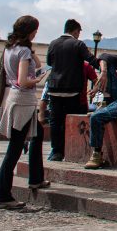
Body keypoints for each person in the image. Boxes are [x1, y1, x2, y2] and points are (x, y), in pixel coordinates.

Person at [0, 16, 50, 209]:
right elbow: (23, 81)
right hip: (23, 100)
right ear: (30, 31)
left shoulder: (11, 48)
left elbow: (38, 63)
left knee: (37, 134)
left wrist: (30, 50)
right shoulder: (23, 51)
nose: (36, 33)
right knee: (15, 149)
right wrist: (39, 79)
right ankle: (2, 195)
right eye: (35, 30)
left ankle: (36, 178)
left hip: (14, 98)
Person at [46, 18, 95, 162]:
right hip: (72, 90)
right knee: (72, 121)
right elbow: (90, 59)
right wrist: (103, 65)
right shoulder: (78, 44)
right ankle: (71, 150)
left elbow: (49, 62)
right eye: (79, 32)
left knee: (55, 121)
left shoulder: (53, 43)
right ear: (76, 31)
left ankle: (56, 151)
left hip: (54, 88)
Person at [84, 49, 117, 170]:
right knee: (106, 65)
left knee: (96, 117)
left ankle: (96, 155)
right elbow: (104, 56)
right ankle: (97, 155)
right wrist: (103, 72)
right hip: (116, 97)